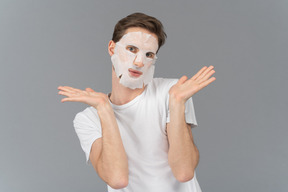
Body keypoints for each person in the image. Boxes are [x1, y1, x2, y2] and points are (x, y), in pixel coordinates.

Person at [58, 12, 215, 192]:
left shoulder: (172, 92)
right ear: (111, 48)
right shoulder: (88, 119)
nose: (139, 61)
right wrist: (104, 108)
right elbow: (117, 180)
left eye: (148, 54)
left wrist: (177, 102)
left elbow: (184, 172)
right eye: (131, 49)